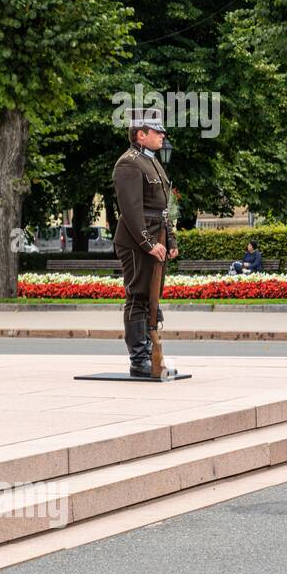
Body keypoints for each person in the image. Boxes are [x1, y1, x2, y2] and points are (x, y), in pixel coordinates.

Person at [113, 109, 177, 377]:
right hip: (137, 241)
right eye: (156, 131)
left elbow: (163, 208)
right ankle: (139, 359)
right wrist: (148, 242)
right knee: (138, 296)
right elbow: (131, 210)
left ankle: (151, 355)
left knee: (151, 299)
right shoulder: (129, 163)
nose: (162, 135)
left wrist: (170, 238)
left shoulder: (151, 161)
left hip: (155, 236)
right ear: (141, 135)